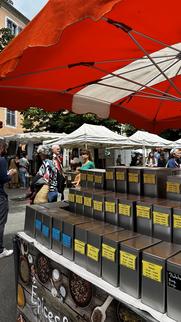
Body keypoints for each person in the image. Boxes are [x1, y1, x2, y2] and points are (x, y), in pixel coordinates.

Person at [0, 139, 17, 258]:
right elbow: (3, 179)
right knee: (1, 222)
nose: (5, 150)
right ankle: (0, 250)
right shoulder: (1, 160)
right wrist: (10, 174)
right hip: (0, 195)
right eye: (5, 148)